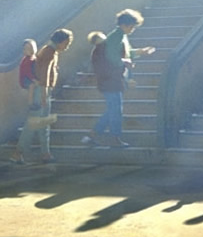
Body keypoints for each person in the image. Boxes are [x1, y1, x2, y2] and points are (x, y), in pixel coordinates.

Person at [82, 9, 155, 148]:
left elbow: (126, 53)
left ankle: (91, 135)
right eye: (131, 26)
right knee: (116, 110)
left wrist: (140, 52)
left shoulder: (121, 36)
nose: (132, 29)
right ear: (124, 25)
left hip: (112, 79)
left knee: (112, 109)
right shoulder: (116, 36)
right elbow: (112, 57)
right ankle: (114, 138)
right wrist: (125, 62)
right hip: (110, 79)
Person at [11, 28, 73, 164]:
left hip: (43, 90)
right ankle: (19, 152)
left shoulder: (49, 51)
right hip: (41, 91)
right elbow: (43, 75)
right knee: (34, 123)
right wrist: (44, 95)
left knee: (43, 122)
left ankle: (45, 153)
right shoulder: (49, 52)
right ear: (61, 41)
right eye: (66, 43)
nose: (67, 46)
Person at [18, 38, 39, 106]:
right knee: (32, 86)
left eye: (31, 48)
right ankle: (30, 103)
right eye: (26, 48)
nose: (29, 50)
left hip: (32, 76)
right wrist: (34, 80)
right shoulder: (27, 60)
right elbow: (27, 72)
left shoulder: (34, 58)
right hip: (26, 79)